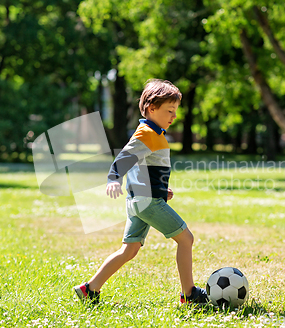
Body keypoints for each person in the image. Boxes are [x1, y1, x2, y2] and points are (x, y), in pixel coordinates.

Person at [73, 79, 208, 305]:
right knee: (186, 239)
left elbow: (142, 168)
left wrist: (162, 190)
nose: (174, 116)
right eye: (170, 111)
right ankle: (190, 294)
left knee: (129, 250)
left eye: (175, 111)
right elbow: (125, 158)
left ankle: (90, 289)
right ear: (151, 108)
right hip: (148, 204)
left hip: (140, 201)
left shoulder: (155, 132)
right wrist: (114, 178)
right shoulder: (147, 133)